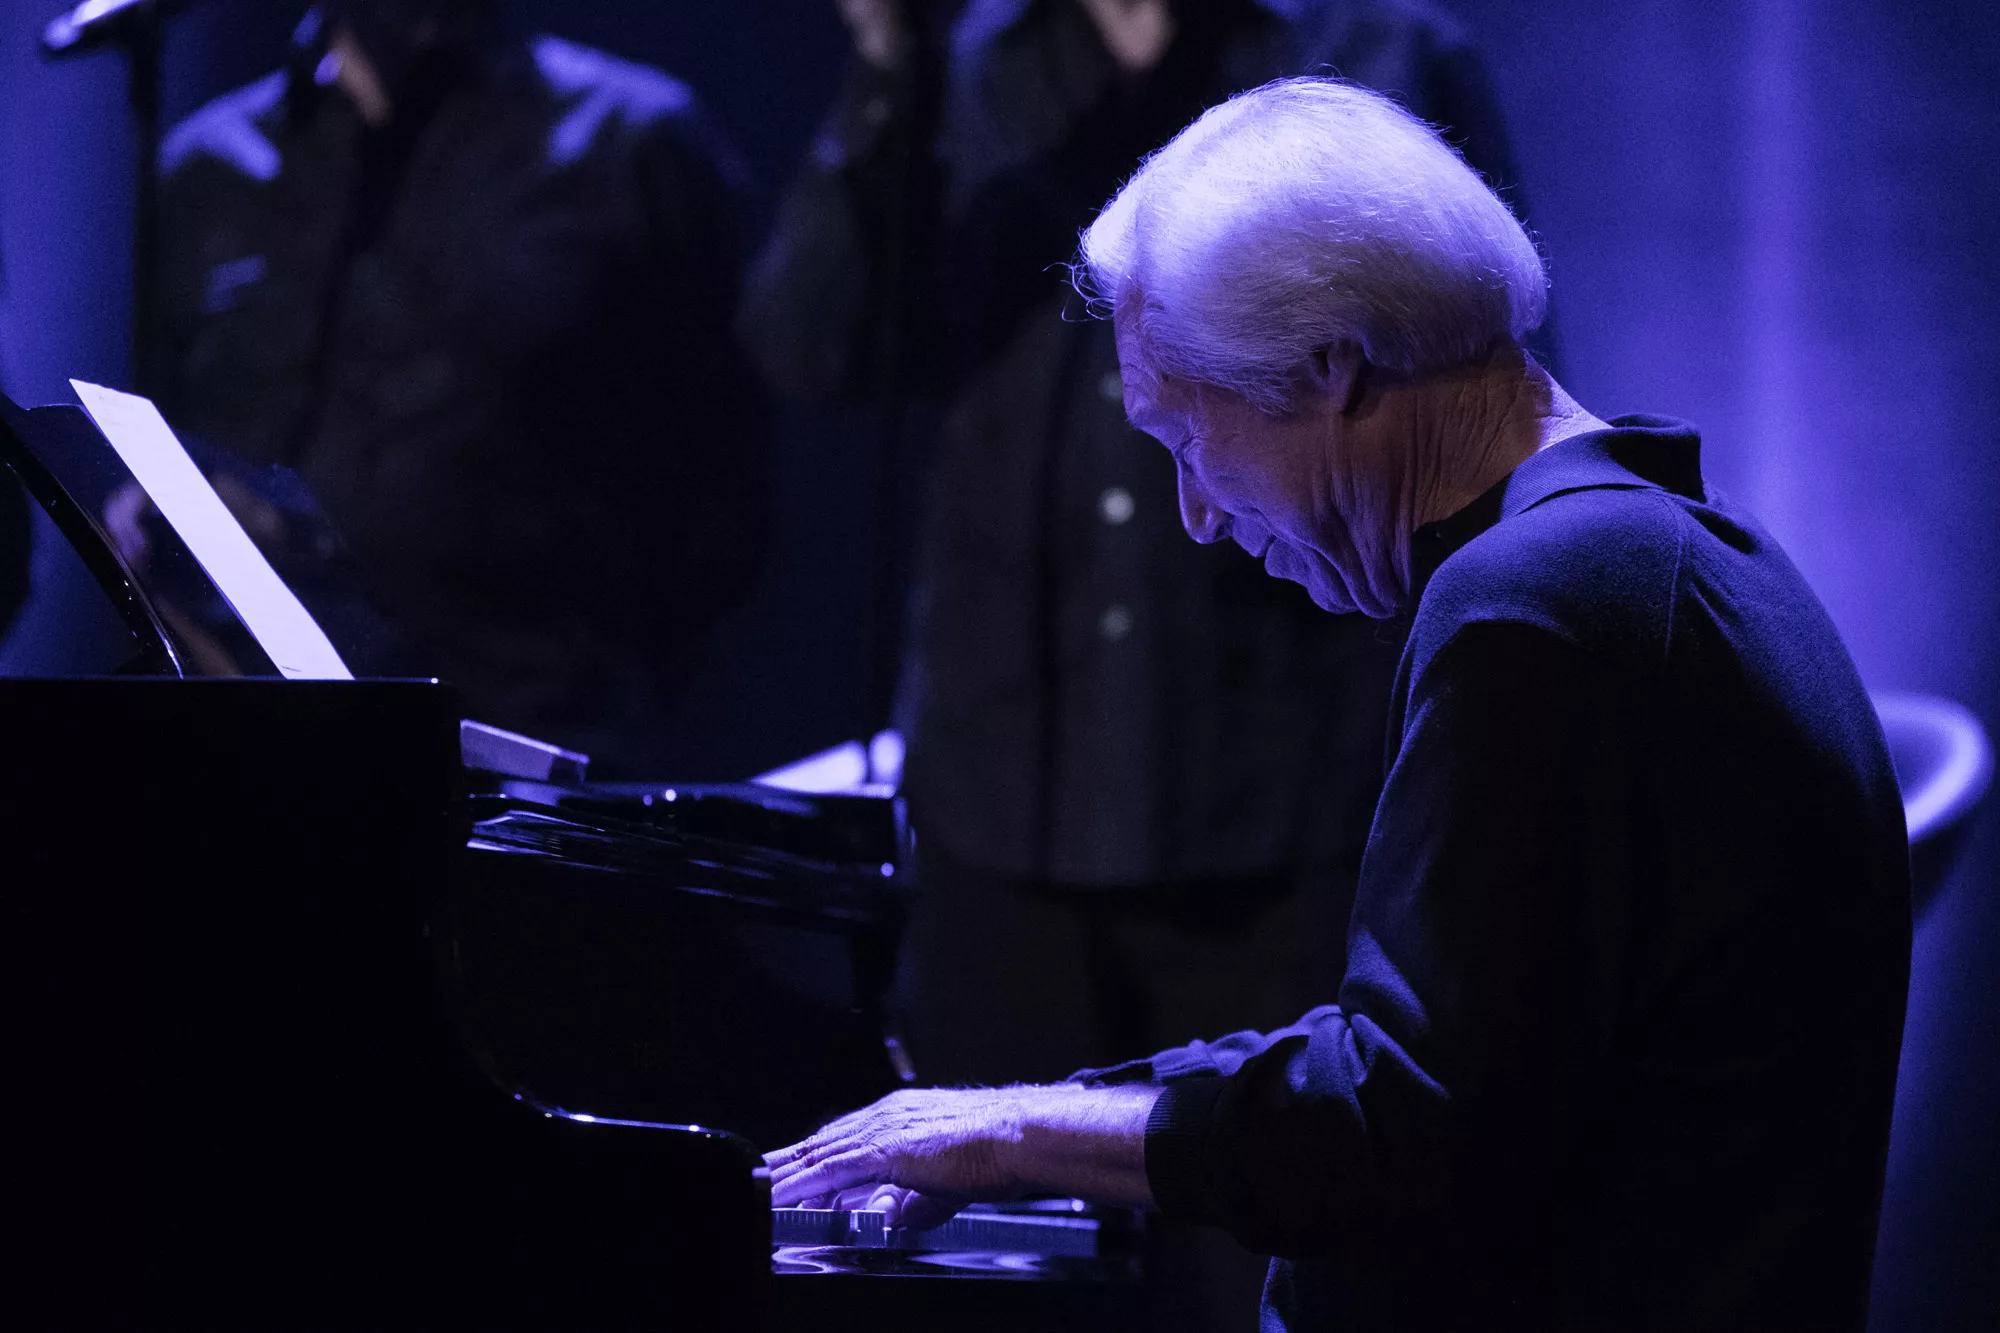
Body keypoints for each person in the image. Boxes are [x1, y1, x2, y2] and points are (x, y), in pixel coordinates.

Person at [765, 78, 1912, 1331]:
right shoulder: (1660, 552)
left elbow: (1399, 1128)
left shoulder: (1542, 601)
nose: (1198, 517)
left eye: (1187, 441)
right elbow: (1456, 1063)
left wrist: (1004, 1138)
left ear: (1328, 367)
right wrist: (1035, 1114)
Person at [153, 0, 771, 770]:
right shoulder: (206, 171)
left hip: (535, 758)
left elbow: (723, 500)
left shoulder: (629, 144)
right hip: (260, 747)